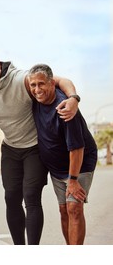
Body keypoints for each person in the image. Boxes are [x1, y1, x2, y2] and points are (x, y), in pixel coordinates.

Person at [0, 50, 79, 245]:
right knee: (11, 198)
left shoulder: (21, 79)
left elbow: (59, 80)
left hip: (34, 148)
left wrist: (73, 98)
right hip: (10, 148)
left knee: (31, 197)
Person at [27, 63, 97, 245]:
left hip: (79, 163)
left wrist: (73, 180)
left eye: (41, 84)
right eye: (33, 85)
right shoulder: (36, 97)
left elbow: (77, 148)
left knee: (74, 208)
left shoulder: (65, 109)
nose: (36, 89)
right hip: (56, 167)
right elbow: (60, 80)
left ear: (52, 84)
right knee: (64, 209)